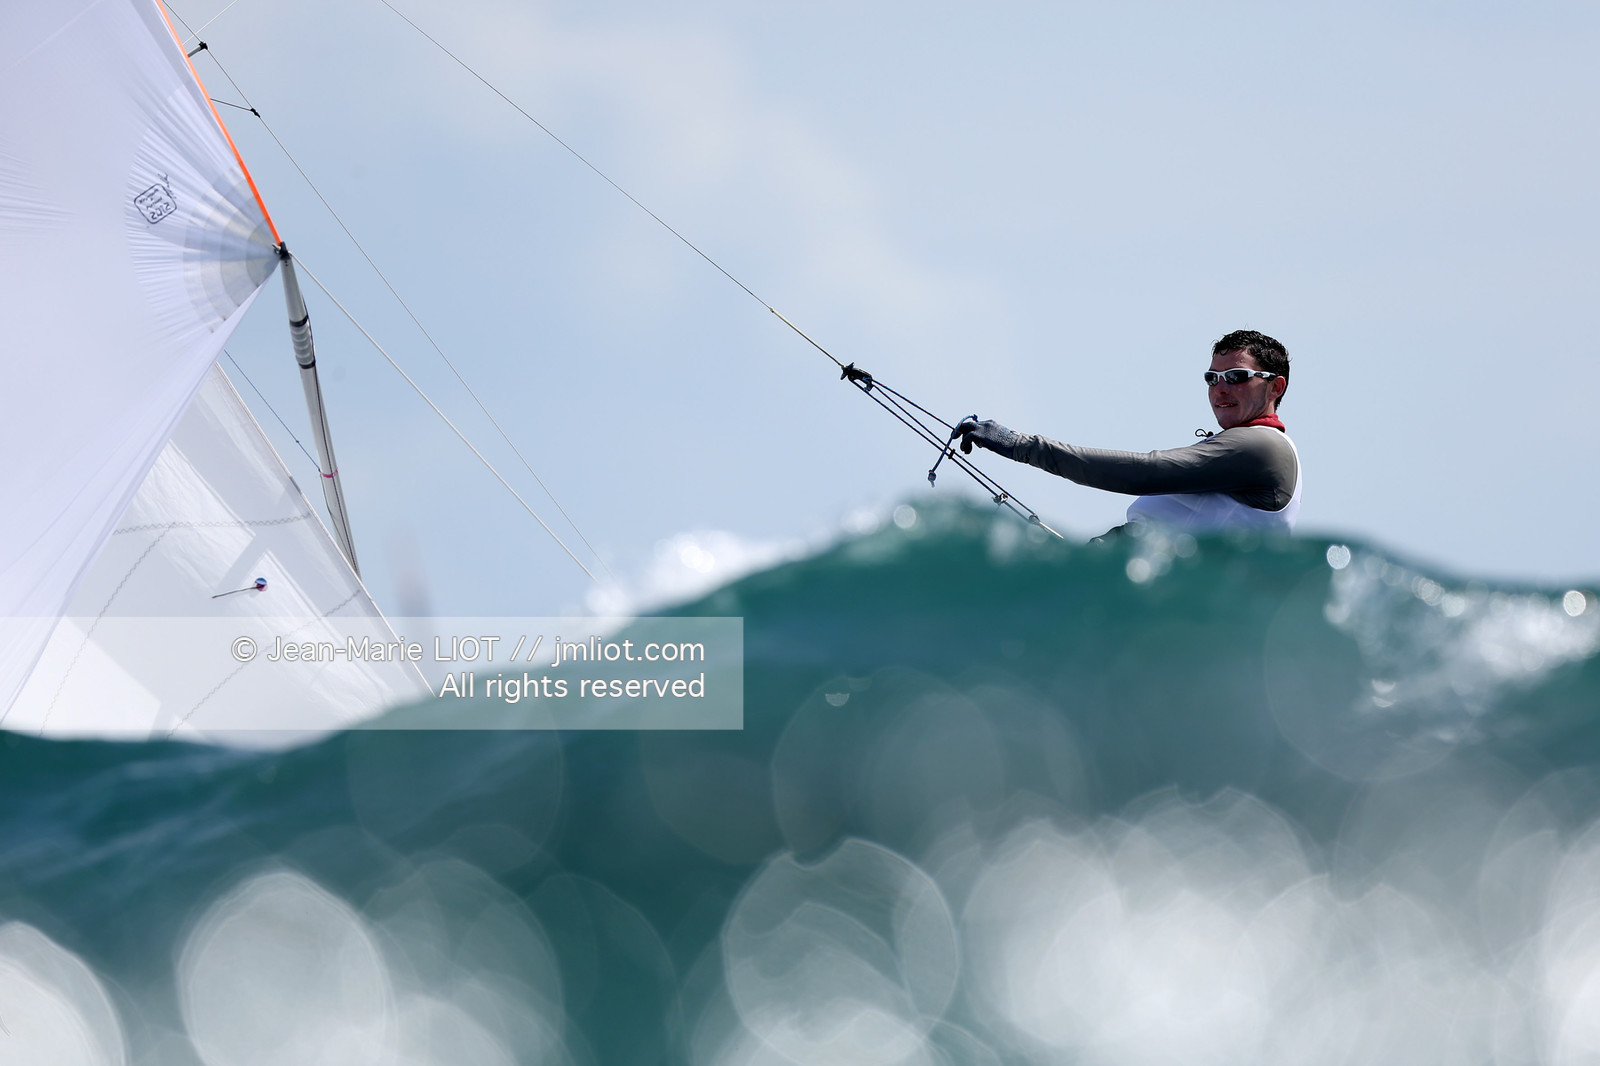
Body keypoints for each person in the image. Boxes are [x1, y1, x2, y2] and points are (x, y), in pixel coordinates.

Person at [954, 329, 1300, 536]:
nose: (1220, 389)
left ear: (1275, 388)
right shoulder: (1241, 446)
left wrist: (1021, 446)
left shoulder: (1263, 447)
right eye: (1212, 378)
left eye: (1236, 377)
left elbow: (1144, 473)